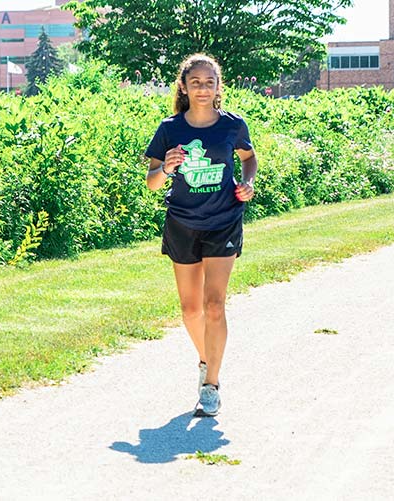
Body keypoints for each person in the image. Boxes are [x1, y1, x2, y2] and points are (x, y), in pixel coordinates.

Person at [141, 54, 259, 418]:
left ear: (218, 86)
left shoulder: (233, 125)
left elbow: (249, 158)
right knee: (191, 309)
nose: (203, 88)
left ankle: (212, 385)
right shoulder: (170, 129)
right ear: (184, 86)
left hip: (223, 219)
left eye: (209, 82)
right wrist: (167, 166)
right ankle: (207, 361)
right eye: (196, 82)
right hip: (182, 222)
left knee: (214, 305)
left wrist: (248, 182)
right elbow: (152, 182)